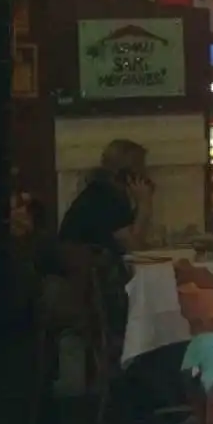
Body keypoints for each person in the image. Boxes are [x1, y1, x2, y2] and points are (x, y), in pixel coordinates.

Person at [56, 139, 153, 336]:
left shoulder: (101, 192)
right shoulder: (108, 198)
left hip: (88, 282)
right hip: (92, 290)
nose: (147, 175)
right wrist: (144, 204)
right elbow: (134, 247)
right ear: (129, 174)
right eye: (142, 168)